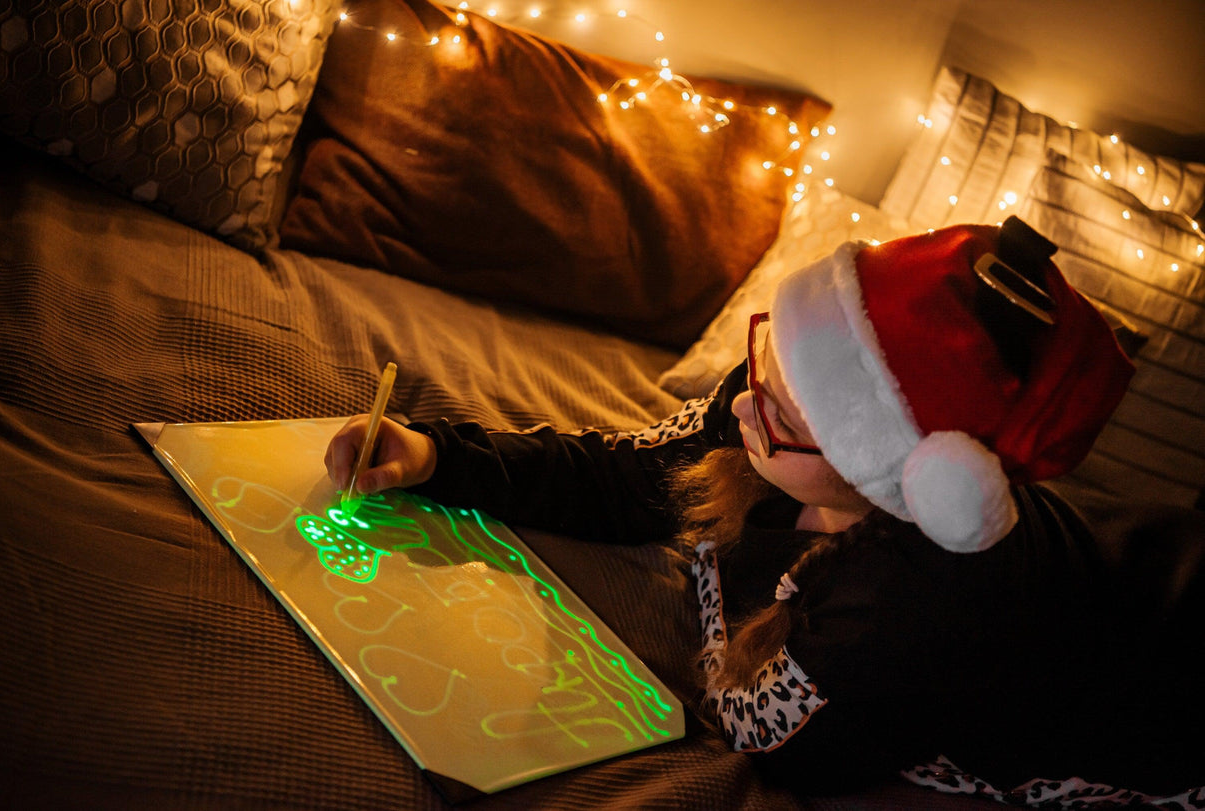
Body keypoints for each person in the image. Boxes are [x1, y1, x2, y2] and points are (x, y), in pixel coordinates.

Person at [325, 218, 1203, 806]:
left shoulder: (905, 599)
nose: (745, 404)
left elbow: (775, 736)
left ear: (890, 474)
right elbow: (634, 477)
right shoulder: (769, 397)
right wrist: (439, 456)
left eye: (782, 409)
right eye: (764, 361)